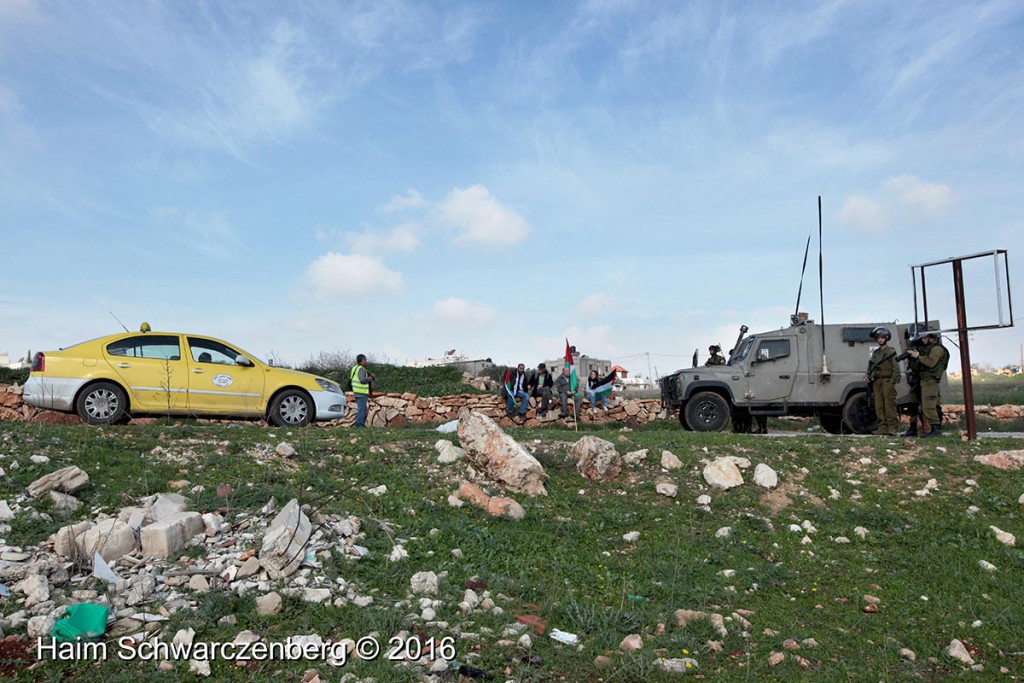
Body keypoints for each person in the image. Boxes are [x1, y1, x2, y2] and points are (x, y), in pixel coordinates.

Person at [907, 331, 949, 438]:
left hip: (930, 381)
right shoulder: (929, 348)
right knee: (921, 404)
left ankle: (936, 429)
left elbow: (931, 362)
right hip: (924, 380)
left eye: (925, 338)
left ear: (932, 338)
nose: (923, 340)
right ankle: (931, 429)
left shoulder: (937, 349)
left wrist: (918, 356)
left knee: (928, 406)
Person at [865, 326, 900, 435]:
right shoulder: (876, 353)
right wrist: (868, 376)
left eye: (882, 337)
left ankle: (892, 428)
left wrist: (892, 381)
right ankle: (882, 428)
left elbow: (896, 368)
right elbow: (871, 366)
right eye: (878, 338)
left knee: (889, 405)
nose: (880, 339)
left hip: (887, 381)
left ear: (886, 338)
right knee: (879, 405)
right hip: (877, 381)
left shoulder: (891, 351)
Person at [350, 354, 375, 428]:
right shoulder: (361, 369)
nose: (366, 362)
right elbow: (362, 380)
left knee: (361, 408)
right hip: (361, 392)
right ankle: (360, 425)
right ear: (362, 361)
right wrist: (370, 377)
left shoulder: (354, 368)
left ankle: (359, 424)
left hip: (356, 391)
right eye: (365, 360)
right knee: (362, 409)